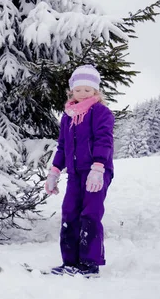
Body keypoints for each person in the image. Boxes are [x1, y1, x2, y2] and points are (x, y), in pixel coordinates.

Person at [44, 64, 115, 278]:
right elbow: (63, 146)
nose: (82, 94)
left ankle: (89, 265)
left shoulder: (101, 112)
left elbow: (104, 139)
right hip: (75, 173)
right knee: (70, 214)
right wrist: (54, 171)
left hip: (97, 171)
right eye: (78, 90)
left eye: (87, 90)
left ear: (95, 91)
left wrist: (98, 167)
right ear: (72, 91)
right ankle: (70, 262)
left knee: (90, 214)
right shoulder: (68, 117)